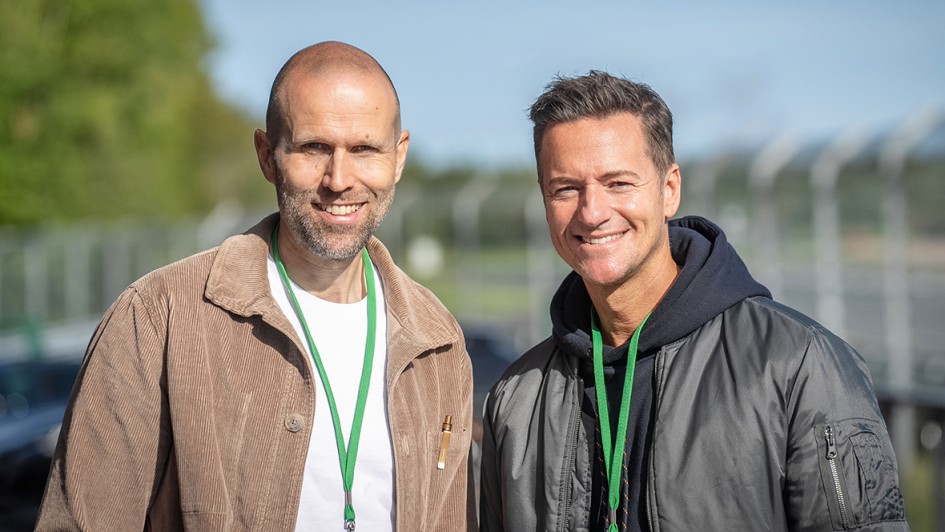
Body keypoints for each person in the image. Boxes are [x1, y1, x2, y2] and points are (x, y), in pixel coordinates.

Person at [36, 41, 475, 531]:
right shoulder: (158, 317)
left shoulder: (439, 343)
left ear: (398, 157)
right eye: (314, 148)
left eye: (364, 149)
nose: (339, 178)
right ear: (267, 156)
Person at [478, 71, 908, 531]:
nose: (592, 212)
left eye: (618, 183)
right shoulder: (517, 397)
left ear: (669, 190)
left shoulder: (799, 365)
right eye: (566, 188)